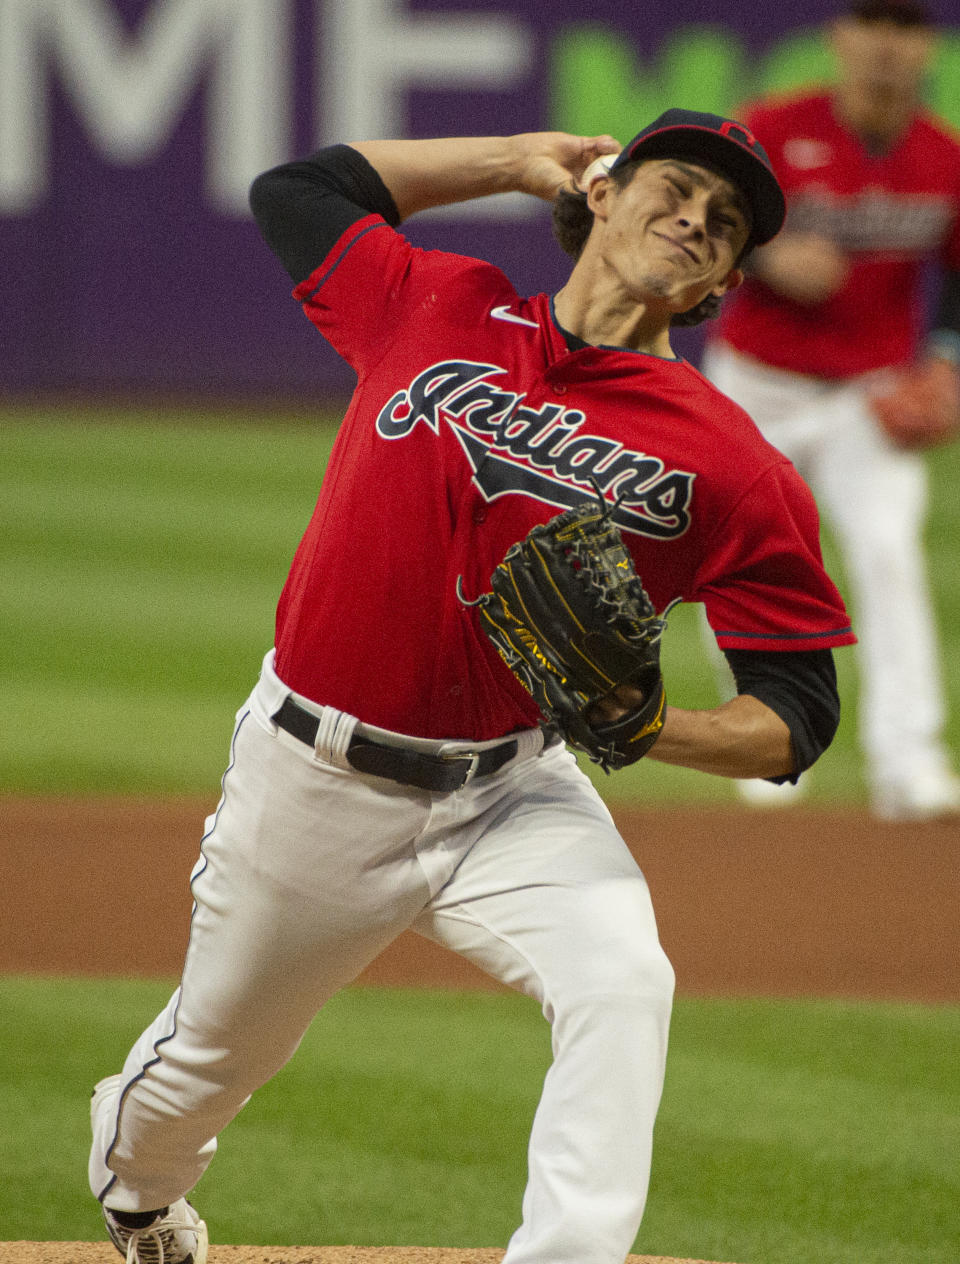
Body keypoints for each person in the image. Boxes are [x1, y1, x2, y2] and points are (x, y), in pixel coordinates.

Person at [88, 110, 855, 1264]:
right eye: (677, 187)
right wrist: (509, 161)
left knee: (624, 981)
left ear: (722, 282)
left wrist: (657, 730)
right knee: (200, 1072)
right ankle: (140, 1194)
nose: (697, 217)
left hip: (513, 792)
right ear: (603, 193)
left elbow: (797, 714)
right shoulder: (438, 300)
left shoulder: (732, 464)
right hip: (315, 780)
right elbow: (300, 190)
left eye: (728, 220)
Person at [702, 0, 960, 820]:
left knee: (887, 554)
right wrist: (766, 253)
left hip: (868, 397)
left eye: (906, 28)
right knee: (735, 563)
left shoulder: (943, 157)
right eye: (873, 25)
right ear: (840, 39)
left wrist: (948, 361)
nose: (888, 46)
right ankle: (760, 744)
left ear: (926, 46)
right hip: (757, 385)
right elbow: (691, 216)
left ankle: (909, 765)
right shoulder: (773, 129)